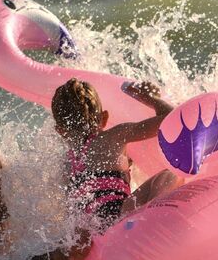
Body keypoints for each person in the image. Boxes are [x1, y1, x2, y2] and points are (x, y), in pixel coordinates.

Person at [51, 78, 181, 228]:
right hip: (118, 217)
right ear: (104, 118)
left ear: (60, 131)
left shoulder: (67, 163)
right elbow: (170, 119)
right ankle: (154, 221)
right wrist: (151, 98)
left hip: (92, 231)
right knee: (170, 173)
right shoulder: (115, 136)